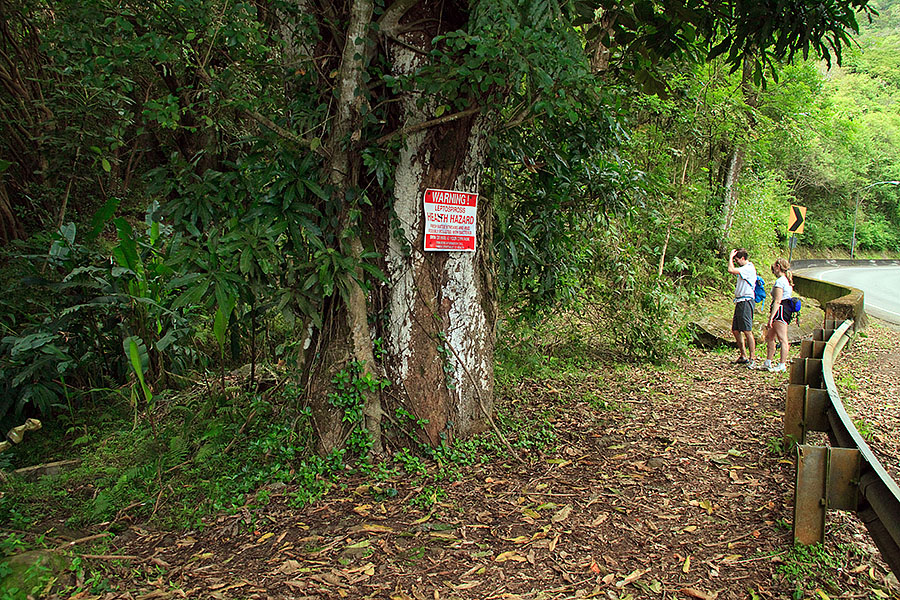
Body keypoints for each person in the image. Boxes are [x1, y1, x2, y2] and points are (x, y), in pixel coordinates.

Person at [762, 257, 795, 372]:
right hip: (781, 310)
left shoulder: (780, 282)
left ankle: (782, 364)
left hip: (780, 311)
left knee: (782, 338)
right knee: (770, 337)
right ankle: (768, 361)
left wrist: (771, 317)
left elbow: (777, 300)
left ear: (778, 267)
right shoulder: (785, 280)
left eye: (774, 267)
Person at [728, 248, 757, 368]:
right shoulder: (744, 269)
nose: (736, 262)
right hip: (740, 301)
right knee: (735, 329)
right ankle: (743, 355)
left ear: (743, 258)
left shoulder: (748, 268)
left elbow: (731, 270)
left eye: (737, 260)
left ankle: (752, 357)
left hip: (746, 301)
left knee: (747, 330)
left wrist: (730, 257)